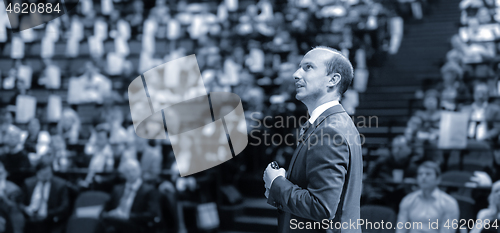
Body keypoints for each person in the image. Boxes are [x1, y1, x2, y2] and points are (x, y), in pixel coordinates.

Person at [263, 46, 363, 233]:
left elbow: (321, 208)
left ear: (333, 80)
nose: (296, 74)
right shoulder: (335, 122)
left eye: (308, 67)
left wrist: (277, 182)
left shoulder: (330, 130)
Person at [396, 161, 459, 233]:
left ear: (438, 179)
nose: (423, 177)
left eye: (428, 174)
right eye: (420, 174)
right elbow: (401, 230)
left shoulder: (449, 203)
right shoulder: (408, 200)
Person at [101, 159, 161, 233]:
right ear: (123, 174)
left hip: (136, 224)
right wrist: (109, 213)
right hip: (115, 221)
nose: (130, 173)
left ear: (139, 170)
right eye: (127, 171)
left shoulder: (149, 190)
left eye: (133, 170)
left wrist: (127, 215)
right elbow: (106, 208)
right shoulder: (117, 189)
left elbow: (152, 214)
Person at [22, 158, 70, 233]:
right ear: (37, 173)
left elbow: (64, 206)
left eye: (48, 174)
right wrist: (26, 209)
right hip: (30, 218)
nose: (45, 177)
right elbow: (20, 202)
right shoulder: (28, 183)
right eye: (43, 174)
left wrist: (48, 214)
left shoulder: (60, 185)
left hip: (51, 219)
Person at [0, 161, 24, 233]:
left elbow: (14, 208)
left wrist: (2, 196)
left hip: (10, 218)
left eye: (0, 173)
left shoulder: (13, 189)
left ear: (5, 173)